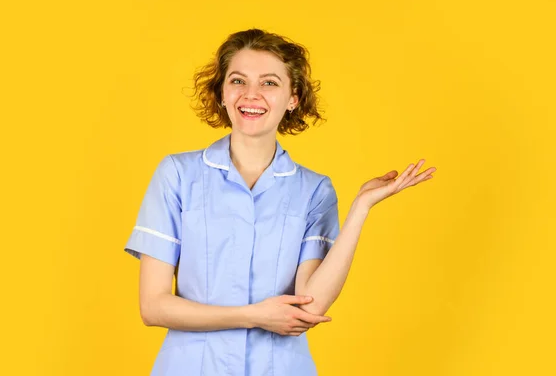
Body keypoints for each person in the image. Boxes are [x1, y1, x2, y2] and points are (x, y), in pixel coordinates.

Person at [124, 28, 436, 376]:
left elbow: (310, 305)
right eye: (238, 81)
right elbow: (153, 307)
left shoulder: (314, 190)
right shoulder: (177, 175)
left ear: (293, 98)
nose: (251, 95)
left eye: (270, 83)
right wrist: (254, 315)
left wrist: (360, 208)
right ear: (222, 93)